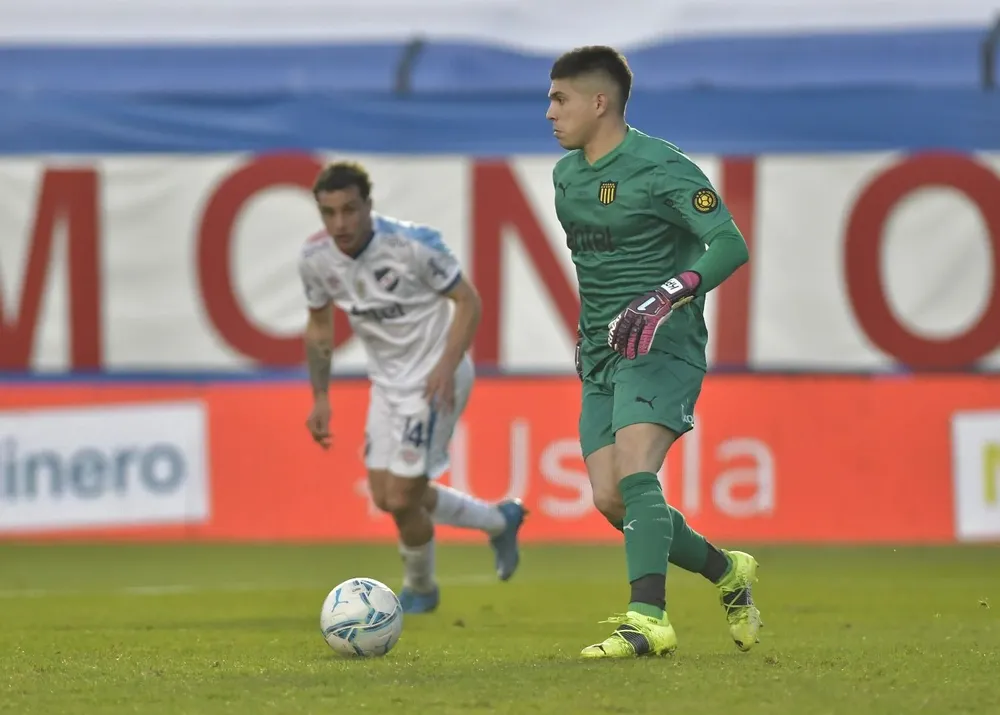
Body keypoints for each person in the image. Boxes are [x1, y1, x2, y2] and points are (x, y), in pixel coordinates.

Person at [547, 46, 763, 658]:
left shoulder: (662, 167)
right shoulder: (566, 178)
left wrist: (668, 294)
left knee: (638, 469)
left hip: (662, 341)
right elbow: (598, 269)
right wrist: (590, 333)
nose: (550, 113)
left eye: (560, 99)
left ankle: (648, 620)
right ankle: (728, 572)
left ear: (600, 102)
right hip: (601, 353)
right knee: (613, 499)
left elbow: (728, 243)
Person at [298, 161, 526, 614]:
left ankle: (421, 588)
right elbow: (320, 329)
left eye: (349, 210)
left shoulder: (412, 246)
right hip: (386, 385)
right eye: (329, 213)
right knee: (388, 496)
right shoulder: (315, 259)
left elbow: (468, 301)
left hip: (434, 379)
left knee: (403, 497)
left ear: (368, 206)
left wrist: (446, 362)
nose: (340, 223)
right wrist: (320, 396)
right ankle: (499, 521)